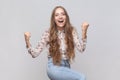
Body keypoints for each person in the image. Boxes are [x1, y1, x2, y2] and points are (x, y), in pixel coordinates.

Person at [24, 6, 89, 80]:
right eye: (57, 15)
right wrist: (27, 41)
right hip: (54, 67)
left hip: (66, 66)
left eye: (63, 14)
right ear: (53, 19)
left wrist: (84, 31)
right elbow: (34, 54)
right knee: (82, 77)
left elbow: (81, 49)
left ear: (66, 17)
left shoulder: (71, 31)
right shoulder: (48, 33)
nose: (60, 17)